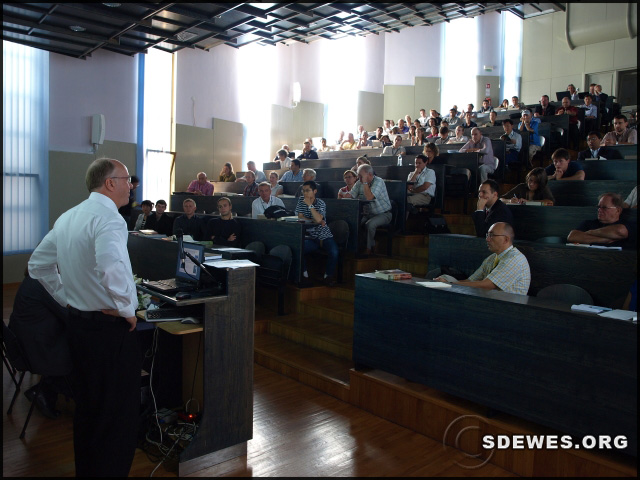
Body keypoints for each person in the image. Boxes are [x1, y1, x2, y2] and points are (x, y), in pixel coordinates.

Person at [28, 158, 141, 476]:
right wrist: (127, 309)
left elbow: (38, 265)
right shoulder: (110, 219)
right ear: (110, 183)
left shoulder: (69, 217)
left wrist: (67, 297)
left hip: (78, 326)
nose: (131, 186)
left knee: (89, 408)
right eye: (126, 180)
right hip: (108, 331)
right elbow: (110, 266)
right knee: (116, 416)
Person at [8, 271, 73, 420]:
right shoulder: (45, 283)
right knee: (83, 349)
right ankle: (48, 390)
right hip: (38, 349)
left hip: (27, 342)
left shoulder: (35, 277)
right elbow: (67, 315)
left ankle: (47, 388)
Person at [435, 222, 531, 295]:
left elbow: (488, 285)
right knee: (441, 277)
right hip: (489, 303)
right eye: (487, 235)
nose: (487, 239)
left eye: (492, 235)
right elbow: (471, 280)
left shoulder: (515, 259)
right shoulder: (492, 258)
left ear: (506, 239)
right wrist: (447, 282)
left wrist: (450, 284)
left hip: (507, 309)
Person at [295, 180, 339, 286]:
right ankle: (304, 275)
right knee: (298, 249)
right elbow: (300, 217)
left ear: (315, 191)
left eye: (307, 190)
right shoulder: (301, 200)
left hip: (323, 235)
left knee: (334, 252)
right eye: (303, 191)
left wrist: (310, 205)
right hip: (309, 236)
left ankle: (328, 276)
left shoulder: (320, 203)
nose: (305, 193)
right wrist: (314, 220)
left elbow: (319, 219)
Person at [343, 164, 392, 255]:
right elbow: (351, 195)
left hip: (383, 214)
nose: (359, 178)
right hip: (368, 214)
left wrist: (365, 183)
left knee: (370, 225)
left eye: (361, 176)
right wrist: (344, 196)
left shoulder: (378, 181)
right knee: (355, 223)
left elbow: (369, 197)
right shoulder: (359, 182)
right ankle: (360, 246)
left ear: (369, 174)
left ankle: (368, 249)